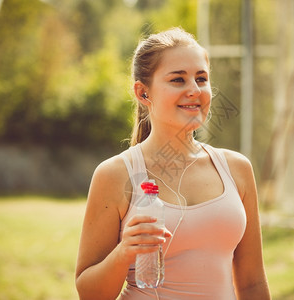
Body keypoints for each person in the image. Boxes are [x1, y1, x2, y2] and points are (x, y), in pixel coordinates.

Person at [75, 27, 271, 300]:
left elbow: (252, 284)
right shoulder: (115, 175)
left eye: (201, 79)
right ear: (144, 93)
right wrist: (124, 252)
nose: (194, 90)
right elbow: (89, 293)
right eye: (178, 80)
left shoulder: (237, 169)